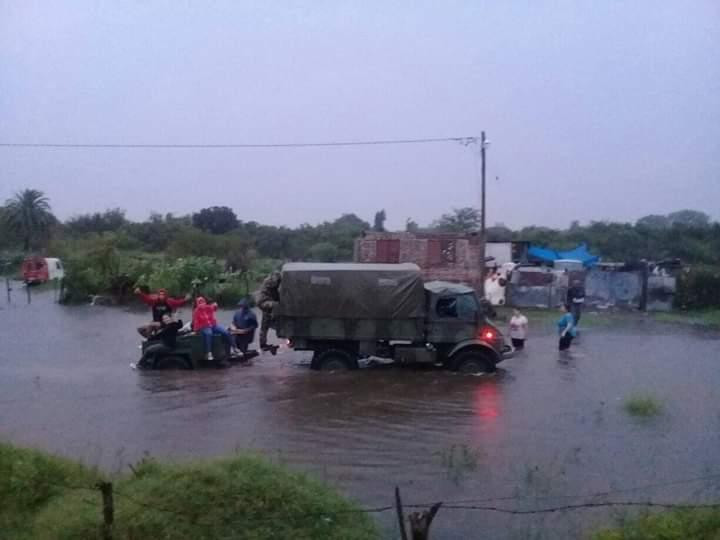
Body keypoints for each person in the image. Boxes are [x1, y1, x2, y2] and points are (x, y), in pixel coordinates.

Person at [192, 297, 233, 361]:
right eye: (200, 303)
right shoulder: (196, 311)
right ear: (197, 304)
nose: (202, 304)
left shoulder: (208, 307)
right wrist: (195, 330)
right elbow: (196, 322)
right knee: (209, 334)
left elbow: (214, 308)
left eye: (203, 302)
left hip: (213, 325)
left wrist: (215, 305)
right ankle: (209, 353)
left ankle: (235, 348)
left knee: (225, 332)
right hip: (204, 327)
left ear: (205, 302)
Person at [256, 271, 281, 352]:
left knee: (265, 324)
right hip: (264, 302)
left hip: (266, 303)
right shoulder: (269, 281)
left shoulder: (272, 282)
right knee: (276, 306)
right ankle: (275, 321)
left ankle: (263, 343)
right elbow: (274, 288)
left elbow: (276, 294)